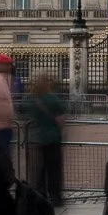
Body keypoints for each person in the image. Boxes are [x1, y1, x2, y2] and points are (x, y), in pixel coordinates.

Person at [22, 74, 68, 206]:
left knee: (40, 170)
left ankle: (40, 195)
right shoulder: (53, 99)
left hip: (37, 138)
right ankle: (55, 197)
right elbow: (60, 119)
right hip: (52, 138)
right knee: (54, 169)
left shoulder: (34, 99)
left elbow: (27, 114)